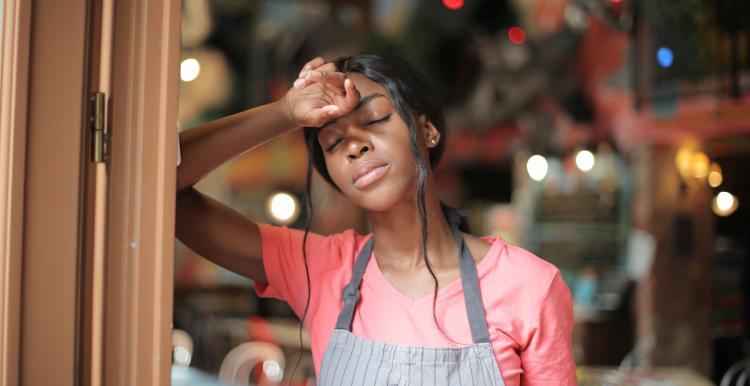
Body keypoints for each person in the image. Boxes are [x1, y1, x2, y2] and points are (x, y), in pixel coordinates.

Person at [175, 54, 577, 385]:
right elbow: (165, 188)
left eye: (374, 121)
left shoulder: (529, 286)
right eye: (333, 142)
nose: (355, 145)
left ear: (428, 130)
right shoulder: (320, 268)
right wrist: (285, 113)